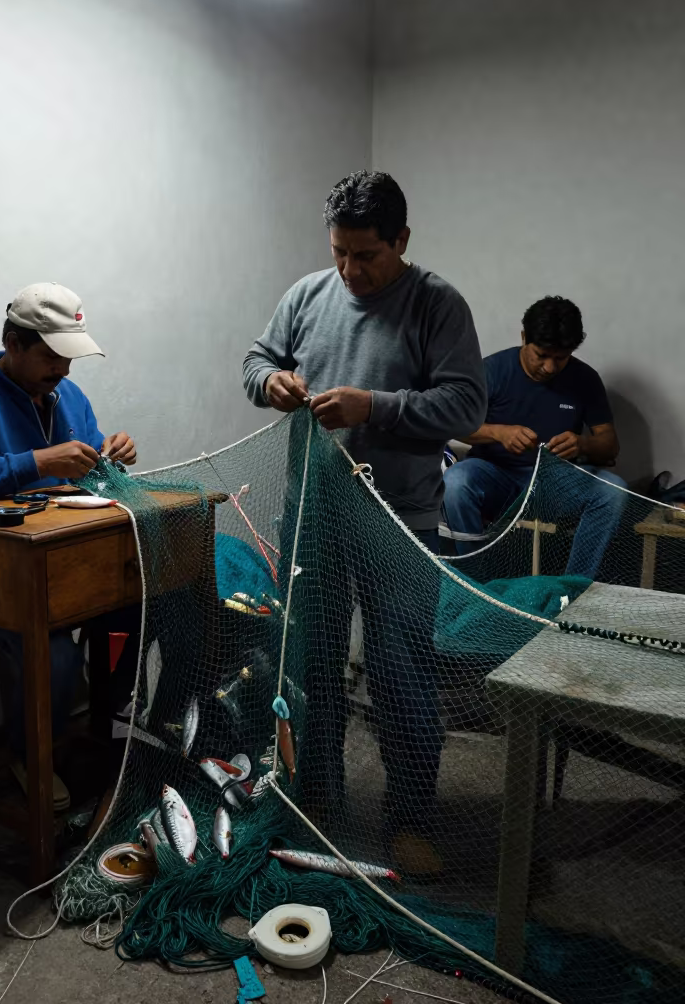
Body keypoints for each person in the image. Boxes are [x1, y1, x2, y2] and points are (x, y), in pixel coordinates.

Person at [243, 170, 487, 877]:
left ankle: (411, 820)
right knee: (311, 661)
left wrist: (373, 407)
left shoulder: (437, 305)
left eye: (367, 256)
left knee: (401, 671)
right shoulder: (307, 295)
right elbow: (255, 361)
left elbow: (466, 408)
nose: (350, 270)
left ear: (402, 240)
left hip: (402, 520)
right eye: (339, 253)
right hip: (313, 515)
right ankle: (317, 798)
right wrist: (272, 384)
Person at [0, 282, 138, 811]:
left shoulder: (70, 399)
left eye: (70, 358)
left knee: (127, 614)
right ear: (12, 343)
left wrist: (113, 458)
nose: (63, 371)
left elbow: (95, 480)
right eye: (51, 356)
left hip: (68, 564)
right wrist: (39, 463)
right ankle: (30, 755)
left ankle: (107, 733)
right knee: (53, 656)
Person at [442, 296, 626, 576]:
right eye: (541, 355)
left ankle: (572, 589)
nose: (550, 367)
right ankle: (475, 581)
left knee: (612, 491)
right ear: (524, 337)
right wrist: (498, 433)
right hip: (496, 478)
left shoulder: (585, 379)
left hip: (553, 482)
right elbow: (450, 423)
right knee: (456, 481)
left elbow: (610, 445)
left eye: (560, 358)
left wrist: (583, 444)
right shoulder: (490, 371)